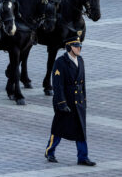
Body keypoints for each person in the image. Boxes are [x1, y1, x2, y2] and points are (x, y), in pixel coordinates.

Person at [44, 38, 95, 166]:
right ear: (69, 47)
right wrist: (62, 103)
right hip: (65, 101)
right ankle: (49, 152)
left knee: (81, 130)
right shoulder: (60, 62)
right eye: (76, 46)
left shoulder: (81, 60)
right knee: (59, 129)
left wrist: (84, 100)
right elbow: (58, 85)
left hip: (78, 102)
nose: (79, 48)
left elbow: (82, 82)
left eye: (80, 46)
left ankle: (83, 157)